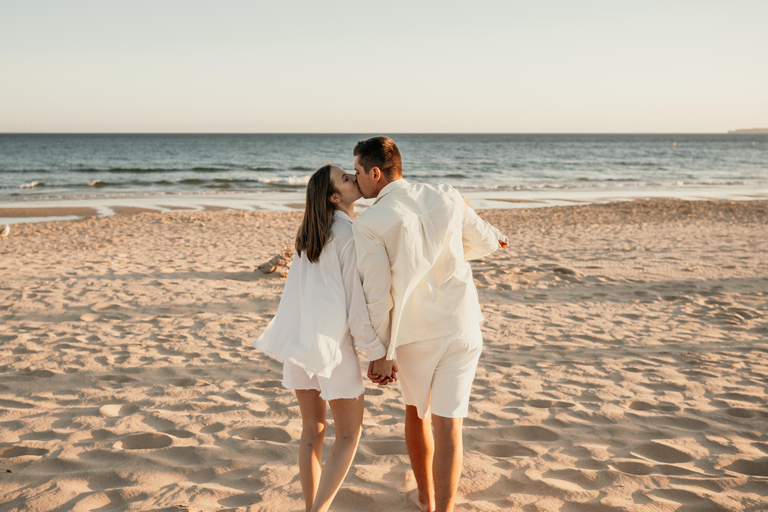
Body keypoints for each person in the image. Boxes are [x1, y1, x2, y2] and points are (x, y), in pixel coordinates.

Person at [351, 137, 507, 512]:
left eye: (357, 172)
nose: (356, 181)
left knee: (416, 412)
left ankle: (426, 497)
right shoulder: (448, 195)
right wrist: (450, 251)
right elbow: (489, 242)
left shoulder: (369, 222)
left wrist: (381, 353)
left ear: (376, 173)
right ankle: (445, 510)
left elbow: (378, 297)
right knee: (450, 423)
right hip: (462, 327)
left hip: (414, 335)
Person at [252, 164, 389, 512]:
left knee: (312, 431)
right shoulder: (348, 236)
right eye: (346, 178)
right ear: (333, 197)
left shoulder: (309, 238)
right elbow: (356, 308)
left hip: (300, 345)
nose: (354, 178)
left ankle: (312, 506)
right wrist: (376, 352)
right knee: (348, 435)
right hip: (332, 349)